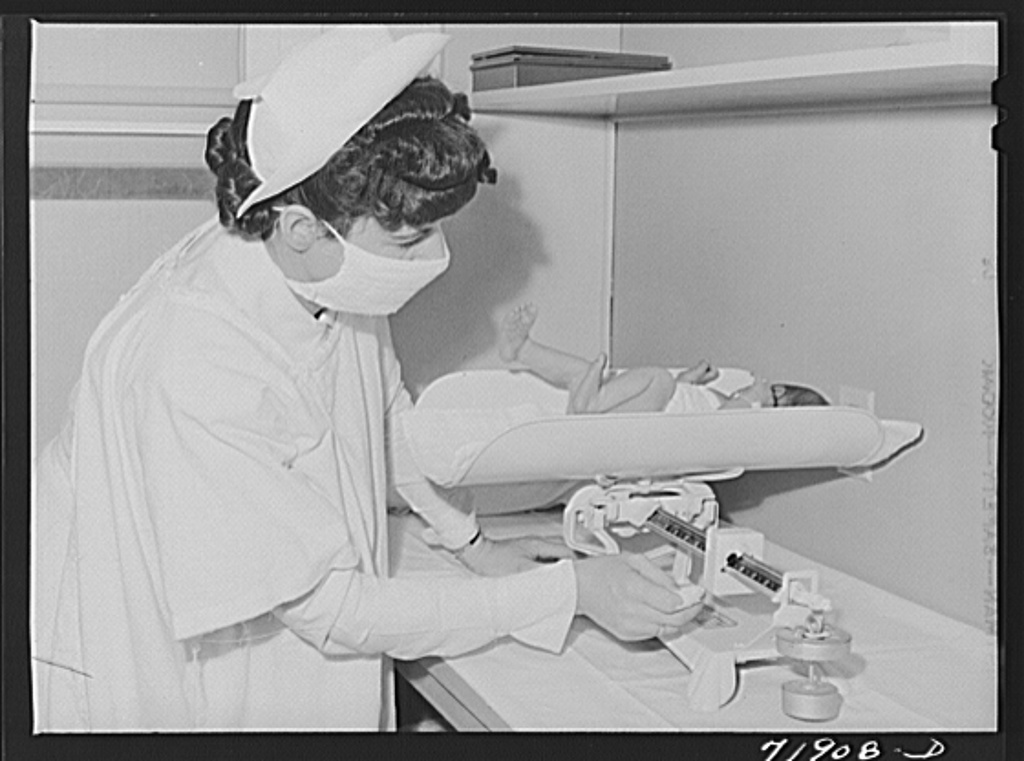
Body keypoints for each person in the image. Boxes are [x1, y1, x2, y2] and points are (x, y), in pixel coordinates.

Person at [31, 26, 704, 732]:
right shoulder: (194, 362)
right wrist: (565, 592)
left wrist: (473, 545)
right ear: (299, 228)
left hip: (283, 615)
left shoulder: (327, 273)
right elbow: (332, 610)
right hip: (129, 656)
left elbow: (385, 420)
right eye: (410, 240)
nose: (433, 257)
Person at [499, 303, 829, 414]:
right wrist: (690, 379)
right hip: (648, 403)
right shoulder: (725, 401)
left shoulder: (738, 418)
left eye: (769, 397)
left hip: (651, 414)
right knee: (582, 373)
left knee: (659, 378)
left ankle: (590, 405)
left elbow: (721, 421)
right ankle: (524, 351)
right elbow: (691, 400)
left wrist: (748, 399)